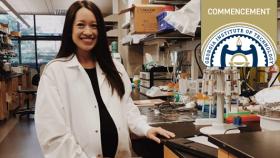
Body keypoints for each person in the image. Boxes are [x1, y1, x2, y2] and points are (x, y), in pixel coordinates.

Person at [34, 1, 175, 158]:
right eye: (81, 25)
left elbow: (127, 108)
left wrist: (145, 128)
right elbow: (53, 134)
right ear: (70, 29)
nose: (88, 31)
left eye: (94, 26)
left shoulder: (114, 68)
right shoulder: (55, 72)